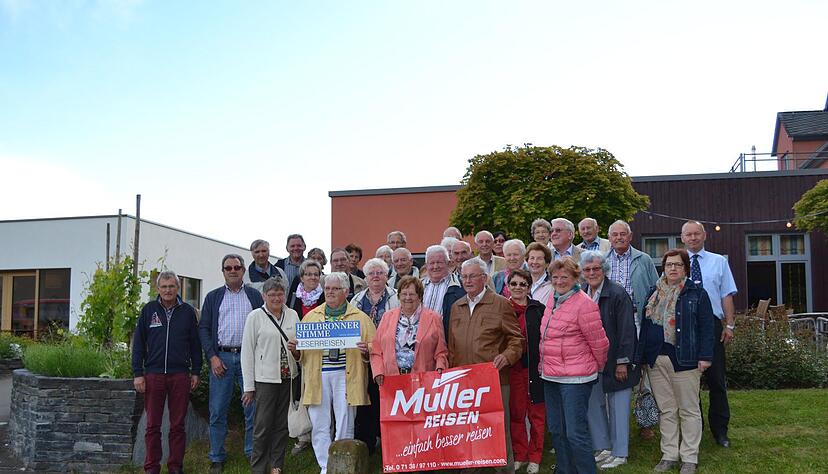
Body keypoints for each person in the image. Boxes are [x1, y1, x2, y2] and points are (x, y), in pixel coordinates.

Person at [635, 249, 714, 474]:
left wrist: (705, 356)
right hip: (655, 359)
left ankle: (689, 457)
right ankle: (669, 454)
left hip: (685, 360)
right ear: (664, 267)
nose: (672, 269)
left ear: (685, 268)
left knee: (688, 410)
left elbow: (707, 328)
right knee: (666, 410)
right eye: (669, 264)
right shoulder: (654, 291)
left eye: (678, 265)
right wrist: (641, 358)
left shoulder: (696, 293)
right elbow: (646, 325)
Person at [295, 272, 376, 474]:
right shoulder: (311, 316)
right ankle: (325, 466)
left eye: (336, 289)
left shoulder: (361, 318)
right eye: (328, 288)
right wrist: (296, 350)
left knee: (345, 421)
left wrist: (367, 350)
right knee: (320, 422)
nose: (330, 292)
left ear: (346, 292)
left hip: (346, 375)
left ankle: (343, 465)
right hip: (318, 375)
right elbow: (302, 354)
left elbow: (375, 347)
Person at [448, 258, 524, 474]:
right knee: (468, 427)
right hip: (463, 381)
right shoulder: (457, 306)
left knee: (497, 427)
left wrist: (507, 357)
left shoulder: (500, 303)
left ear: (484, 278)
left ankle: (504, 469)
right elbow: (452, 344)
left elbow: (516, 340)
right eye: (464, 276)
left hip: (494, 379)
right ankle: (472, 467)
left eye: (472, 276)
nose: (468, 280)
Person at [539, 257, 609, 474]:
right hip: (550, 375)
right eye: (555, 277)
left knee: (575, 433)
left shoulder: (584, 304)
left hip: (576, 379)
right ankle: (564, 470)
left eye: (565, 277)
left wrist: (595, 368)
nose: (559, 281)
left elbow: (599, 343)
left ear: (575, 278)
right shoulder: (553, 298)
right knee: (557, 430)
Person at [198, 254, 264, 473]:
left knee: (252, 408)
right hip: (222, 359)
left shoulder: (255, 296)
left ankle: (251, 451)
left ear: (243, 270)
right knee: (217, 409)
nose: (233, 270)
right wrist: (212, 357)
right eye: (228, 267)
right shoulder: (213, 297)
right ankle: (216, 456)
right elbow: (204, 329)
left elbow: (264, 325)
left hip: (249, 358)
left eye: (237, 267)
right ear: (223, 271)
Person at [133, 271, 202, 474]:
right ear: (158, 289)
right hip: (153, 375)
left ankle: (175, 467)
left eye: (171, 286)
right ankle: (151, 468)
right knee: (152, 426)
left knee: (177, 426)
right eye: (164, 287)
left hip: (180, 375)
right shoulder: (149, 310)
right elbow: (138, 344)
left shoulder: (188, 312)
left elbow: (195, 345)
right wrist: (138, 373)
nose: (168, 290)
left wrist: (196, 371)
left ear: (177, 288)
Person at [680, 221, 737, 448]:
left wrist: (729, 325)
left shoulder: (719, 262)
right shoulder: (677, 262)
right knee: (688, 384)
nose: (693, 238)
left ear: (704, 236)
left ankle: (720, 432)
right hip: (684, 326)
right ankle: (695, 430)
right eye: (688, 235)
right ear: (682, 238)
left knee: (716, 381)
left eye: (696, 234)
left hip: (711, 326)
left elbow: (726, 295)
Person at [580, 251, 639, 469]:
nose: (592, 273)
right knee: (594, 406)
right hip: (591, 362)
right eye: (587, 269)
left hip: (615, 360)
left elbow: (627, 330)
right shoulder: (583, 292)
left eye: (596, 268)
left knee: (618, 408)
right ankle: (603, 447)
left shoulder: (616, 293)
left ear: (604, 270)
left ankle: (620, 451)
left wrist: (623, 361)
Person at [241, 278, 300, 474]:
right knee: (262, 426)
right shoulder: (255, 317)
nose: (276, 297)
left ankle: (277, 466)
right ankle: (258, 468)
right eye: (272, 294)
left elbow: (301, 350)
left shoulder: (292, 315)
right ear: (264, 296)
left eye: (280, 293)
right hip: (265, 380)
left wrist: (296, 350)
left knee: (282, 426)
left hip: (288, 378)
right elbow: (247, 353)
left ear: (285, 295)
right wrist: (249, 386)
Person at [606, 220, 659, 440]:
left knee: (642, 374)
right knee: (612, 369)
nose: (619, 238)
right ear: (609, 238)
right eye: (615, 235)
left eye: (622, 234)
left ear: (630, 237)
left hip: (638, 320)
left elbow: (656, 290)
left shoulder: (643, 259)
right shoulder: (603, 261)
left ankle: (646, 423)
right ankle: (612, 426)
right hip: (609, 323)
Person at [350, 258, 400, 455]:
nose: (376, 276)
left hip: (388, 358)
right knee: (365, 401)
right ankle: (366, 446)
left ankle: (390, 446)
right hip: (361, 359)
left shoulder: (395, 297)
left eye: (380, 273)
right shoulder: (356, 299)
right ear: (366, 277)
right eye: (372, 273)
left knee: (386, 401)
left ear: (387, 276)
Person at [506, 269, 546, 474]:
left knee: (537, 415)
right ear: (508, 286)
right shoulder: (502, 308)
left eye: (523, 284)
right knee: (516, 414)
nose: (518, 288)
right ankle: (520, 454)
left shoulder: (538, 309)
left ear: (529, 287)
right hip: (513, 370)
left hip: (535, 370)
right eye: (514, 284)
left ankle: (535, 456)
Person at [371, 275, 448, 380]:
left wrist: (440, 368)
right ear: (398, 296)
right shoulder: (387, 317)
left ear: (420, 296)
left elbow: (441, 351)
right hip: (391, 379)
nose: (407, 298)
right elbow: (376, 349)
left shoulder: (434, 318)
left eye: (412, 294)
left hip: (424, 379)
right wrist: (378, 371)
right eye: (403, 294)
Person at [421, 244, 465, 340]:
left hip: (448, 340)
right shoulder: (418, 286)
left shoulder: (460, 287)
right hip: (421, 341)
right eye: (432, 263)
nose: (435, 266)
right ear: (426, 265)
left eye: (439, 262)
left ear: (448, 263)